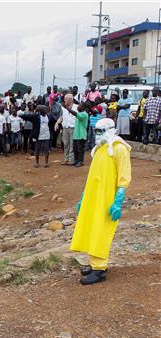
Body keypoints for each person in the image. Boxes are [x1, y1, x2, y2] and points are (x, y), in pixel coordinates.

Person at [70, 118, 132, 285]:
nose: (96, 135)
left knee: (101, 230)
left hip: (107, 199)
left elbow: (124, 176)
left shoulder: (119, 149)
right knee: (91, 227)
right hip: (93, 197)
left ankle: (100, 270)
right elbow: (93, 176)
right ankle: (94, 263)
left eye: (99, 131)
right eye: (95, 131)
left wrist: (118, 200)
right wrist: (84, 197)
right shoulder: (100, 149)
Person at [59, 94, 77, 166]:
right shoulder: (63, 108)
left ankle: (71, 160)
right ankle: (66, 159)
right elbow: (61, 117)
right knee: (66, 144)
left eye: (66, 99)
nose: (64, 100)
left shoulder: (76, 107)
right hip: (65, 127)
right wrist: (57, 122)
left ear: (70, 99)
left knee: (72, 144)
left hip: (73, 127)